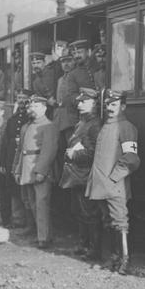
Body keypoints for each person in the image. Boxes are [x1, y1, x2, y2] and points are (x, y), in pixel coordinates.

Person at [85, 89, 140, 274]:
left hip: (115, 185)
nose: (110, 108)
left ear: (122, 106)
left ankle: (124, 261)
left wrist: (114, 178)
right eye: (107, 104)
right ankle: (112, 259)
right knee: (107, 221)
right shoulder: (105, 126)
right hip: (101, 184)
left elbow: (131, 158)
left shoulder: (125, 127)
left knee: (120, 222)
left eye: (114, 104)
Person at [61, 87, 103, 258]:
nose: (79, 104)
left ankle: (94, 249)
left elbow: (95, 153)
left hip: (86, 174)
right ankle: (83, 243)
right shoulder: (82, 123)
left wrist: (75, 154)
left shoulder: (95, 125)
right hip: (77, 174)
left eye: (84, 101)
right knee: (79, 211)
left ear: (95, 103)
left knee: (90, 213)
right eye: (79, 101)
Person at [13, 95, 59, 249]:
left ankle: (43, 238)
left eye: (36, 106)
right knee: (31, 203)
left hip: (40, 169)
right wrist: (17, 169)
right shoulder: (26, 126)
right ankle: (44, 234)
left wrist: (41, 171)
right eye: (30, 106)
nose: (31, 109)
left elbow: (49, 151)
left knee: (42, 204)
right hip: (26, 168)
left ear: (44, 108)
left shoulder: (49, 126)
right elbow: (20, 151)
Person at [0, 89, 32, 228]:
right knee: (12, 189)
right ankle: (17, 220)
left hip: (25, 158)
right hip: (11, 157)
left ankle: (28, 222)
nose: (22, 100)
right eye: (19, 97)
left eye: (25, 98)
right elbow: (5, 141)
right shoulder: (12, 119)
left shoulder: (30, 118)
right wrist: (3, 162)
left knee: (24, 189)